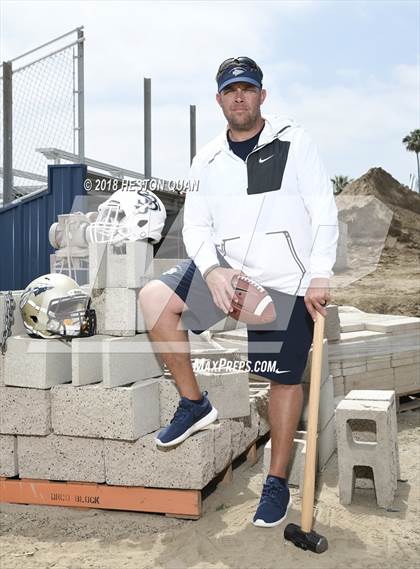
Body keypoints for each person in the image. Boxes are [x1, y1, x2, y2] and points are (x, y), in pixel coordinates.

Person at [139, 56, 338, 528]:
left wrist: (320, 273)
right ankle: (194, 403)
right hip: (225, 272)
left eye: (248, 88)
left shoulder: (293, 141)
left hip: (282, 280)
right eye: (231, 91)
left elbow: (323, 208)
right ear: (220, 100)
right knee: (154, 300)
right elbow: (197, 226)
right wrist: (210, 271)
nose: (240, 97)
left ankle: (275, 483)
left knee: (281, 379)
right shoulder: (206, 158)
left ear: (262, 95)